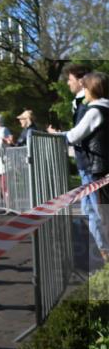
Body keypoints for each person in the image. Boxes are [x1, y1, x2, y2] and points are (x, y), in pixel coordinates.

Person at [49, 64, 108, 261]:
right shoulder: (100, 108)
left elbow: (74, 136)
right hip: (96, 167)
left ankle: (105, 252)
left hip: (96, 168)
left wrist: (55, 136)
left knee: (100, 214)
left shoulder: (95, 110)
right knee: (94, 212)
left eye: (86, 85)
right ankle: (103, 251)